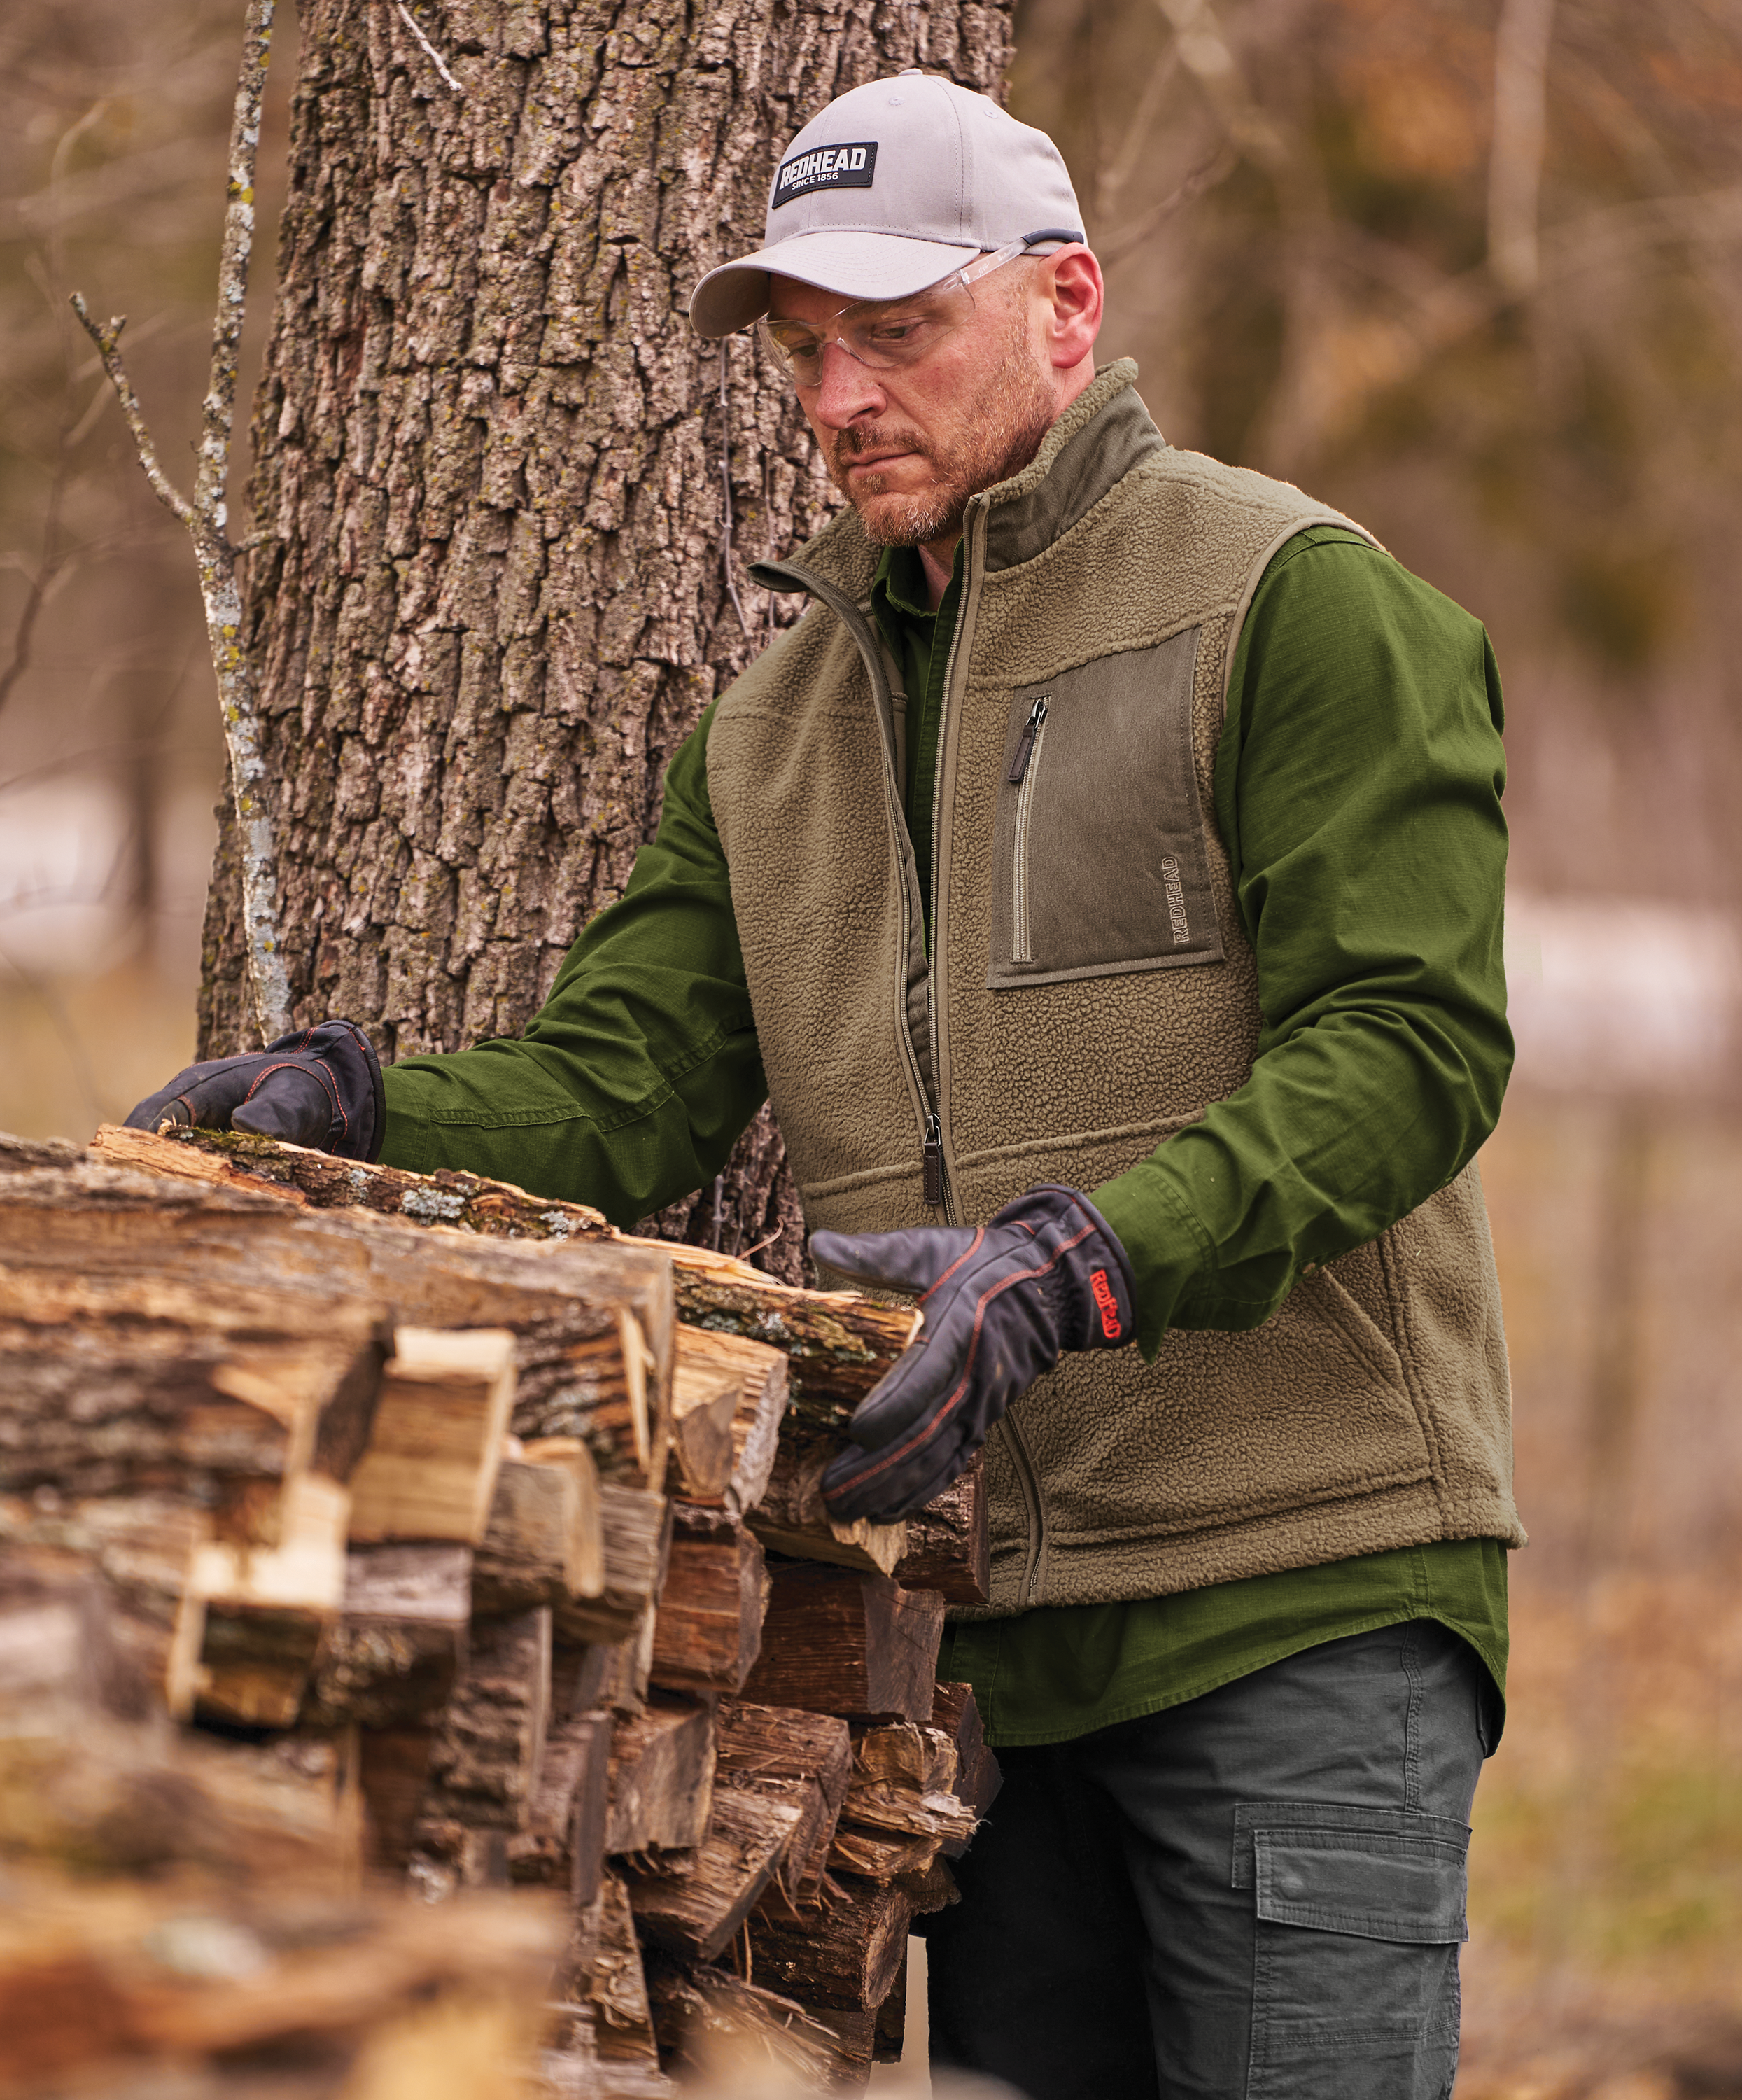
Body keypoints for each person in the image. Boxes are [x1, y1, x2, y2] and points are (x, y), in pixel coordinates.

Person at [128, 71, 1521, 2100]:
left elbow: (1412, 1046)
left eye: (897, 331)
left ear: (1067, 305)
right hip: (973, 1663)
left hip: (1298, 1602)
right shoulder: (774, 733)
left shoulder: (1293, 603)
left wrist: (1077, 1263)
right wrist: (360, 1117)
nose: (839, 394)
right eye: (806, 348)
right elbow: (622, 1090)